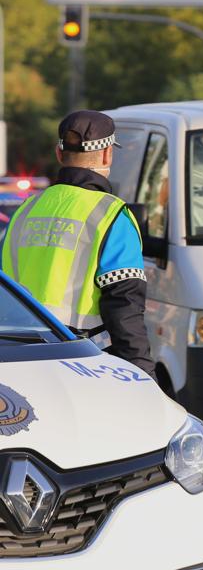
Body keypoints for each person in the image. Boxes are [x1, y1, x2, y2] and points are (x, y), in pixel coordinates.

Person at [1, 110, 154, 375]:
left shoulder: (25, 211)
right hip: (83, 363)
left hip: (18, 361)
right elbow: (125, 307)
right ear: (107, 154)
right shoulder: (112, 215)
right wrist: (144, 376)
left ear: (59, 154)